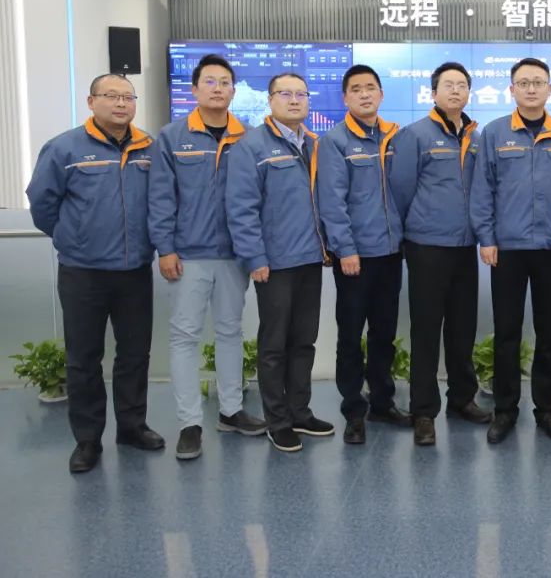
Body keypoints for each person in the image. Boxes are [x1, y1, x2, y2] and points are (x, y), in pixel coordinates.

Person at [27, 73, 163, 473]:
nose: (121, 104)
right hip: (82, 271)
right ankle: (87, 440)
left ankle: (132, 427)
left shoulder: (148, 147)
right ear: (91, 102)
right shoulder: (64, 148)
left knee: (134, 354)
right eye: (111, 96)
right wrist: (73, 237)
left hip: (134, 270)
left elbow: (160, 201)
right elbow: (42, 205)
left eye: (128, 97)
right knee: (84, 358)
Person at [149, 54, 266, 461]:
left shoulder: (249, 137)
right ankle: (190, 424)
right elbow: (160, 197)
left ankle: (231, 411)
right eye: (210, 82)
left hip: (234, 255)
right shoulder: (172, 137)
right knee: (185, 337)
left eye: (225, 82)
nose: (218, 88)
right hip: (188, 255)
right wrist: (166, 248)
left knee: (230, 332)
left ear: (234, 90)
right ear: (194, 89)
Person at [470, 57, 551, 445]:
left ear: (550, 89)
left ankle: (547, 410)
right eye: (523, 82)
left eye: (538, 82)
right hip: (508, 249)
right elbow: (482, 189)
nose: (531, 89)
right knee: (507, 333)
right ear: (511, 89)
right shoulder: (495, 132)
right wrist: (487, 238)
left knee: (550, 334)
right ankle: (505, 410)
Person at [226, 72, 334, 453]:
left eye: (301, 94)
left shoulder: (315, 144)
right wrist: (255, 256)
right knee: (274, 344)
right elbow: (241, 208)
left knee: (304, 340)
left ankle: (300, 412)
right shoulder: (251, 146)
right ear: (270, 100)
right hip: (273, 263)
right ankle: (278, 420)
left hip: (310, 258)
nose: (294, 100)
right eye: (285, 93)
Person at [389, 61, 492, 446]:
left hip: (465, 246)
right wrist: (409, 234)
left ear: (469, 93)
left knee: (463, 327)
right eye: (448, 85)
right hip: (426, 245)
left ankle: (462, 399)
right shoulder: (415, 134)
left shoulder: (475, 136)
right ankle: (423, 411)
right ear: (433, 93)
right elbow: (400, 189)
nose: (455, 91)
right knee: (427, 329)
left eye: (461, 85)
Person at [317, 64, 411, 446]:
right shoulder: (335, 141)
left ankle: (382, 401)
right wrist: (345, 249)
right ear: (345, 98)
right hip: (354, 257)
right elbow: (332, 201)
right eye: (356, 89)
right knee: (351, 335)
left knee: (384, 333)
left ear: (382, 94)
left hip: (391, 253)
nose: (365, 94)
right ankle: (354, 410)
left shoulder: (395, 137)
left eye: (370, 87)